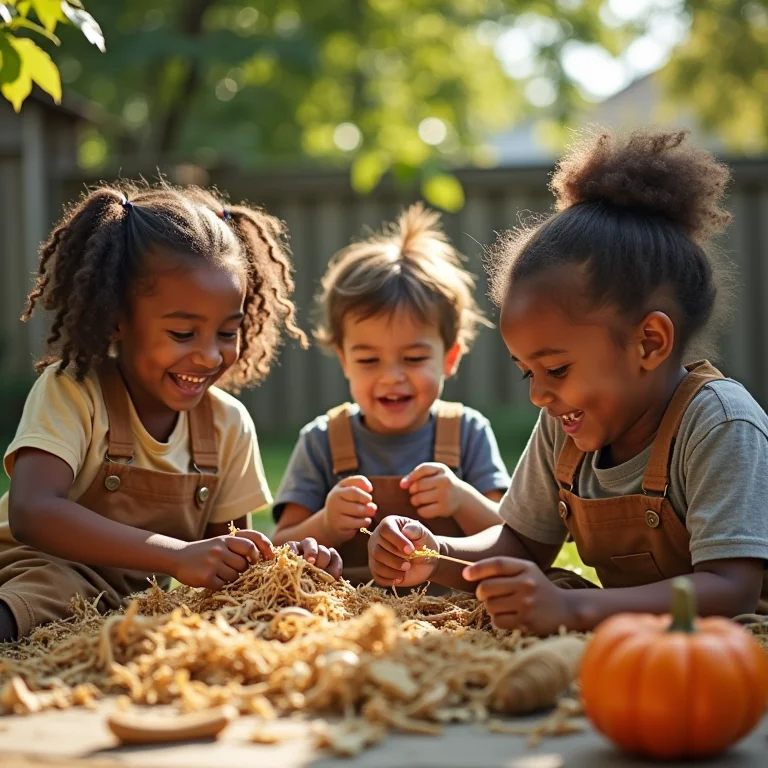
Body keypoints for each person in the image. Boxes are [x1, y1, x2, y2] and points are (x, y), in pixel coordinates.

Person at [368, 129, 768, 632]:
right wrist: (435, 551)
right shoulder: (567, 427)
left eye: (556, 369)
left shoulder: (718, 424)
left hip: (733, 641)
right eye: (527, 372)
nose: (539, 393)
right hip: (635, 635)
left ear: (649, 343)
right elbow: (519, 544)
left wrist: (575, 609)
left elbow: (731, 588)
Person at [0, 183, 341, 641]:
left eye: (227, 332)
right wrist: (177, 555)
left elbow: (232, 557)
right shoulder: (74, 390)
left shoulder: (227, 425)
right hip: (39, 569)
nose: (209, 356)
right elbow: (33, 512)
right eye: (183, 333)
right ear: (117, 318)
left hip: (136, 604)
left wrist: (288, 562)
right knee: (55, 595)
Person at [272, 204, 510, 584]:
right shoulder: (322, 441)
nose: (391, 378)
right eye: (368, 360)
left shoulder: (467, 432)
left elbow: (510, 535)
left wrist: (462, 500)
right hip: (343, 612)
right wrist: (327, 523)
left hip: (450, 618)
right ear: (344, 360)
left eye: (414, 358)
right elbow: (279, 548)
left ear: (449, 358)